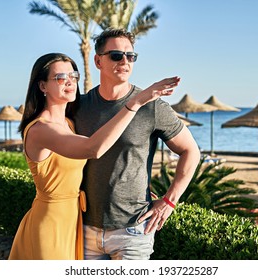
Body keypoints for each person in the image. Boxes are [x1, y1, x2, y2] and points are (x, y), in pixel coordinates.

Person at [8, 53, 180, 260]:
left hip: (76, 223)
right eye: (61, 77)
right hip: (51, 224)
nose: (70, 81)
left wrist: (135, 189)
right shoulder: (40, 130)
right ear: (42, 86)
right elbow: (93, 149)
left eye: (73, 75)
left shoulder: (70, 123)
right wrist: (134, 103)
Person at [74, 28, 200, 260]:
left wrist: (169, 201)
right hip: (84, 229)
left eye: (130, 56)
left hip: (133, 231)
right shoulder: (79, 107)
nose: (124, 61)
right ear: (97, 60)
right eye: (116, 55)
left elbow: (190, 151)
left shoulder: (151, 106)